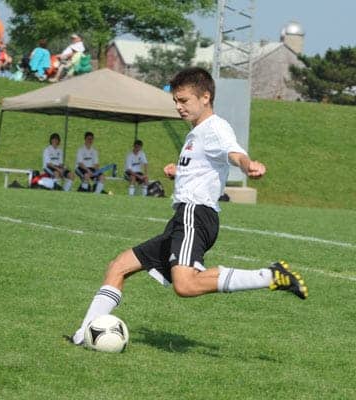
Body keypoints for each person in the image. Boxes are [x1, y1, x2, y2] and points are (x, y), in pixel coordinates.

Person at [68, 67, 308, 346]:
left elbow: (233, 152)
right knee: (119, 266)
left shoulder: (215, 127)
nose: (178, 107)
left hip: (196, 215)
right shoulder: (195, 133)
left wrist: (247, 164)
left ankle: (271, 275)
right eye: (176, 102)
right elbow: (205, 166)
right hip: (182, 217)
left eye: (184, 101)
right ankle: (83, 335)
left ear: (205, 97)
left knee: (185, 284)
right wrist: (178, 171)